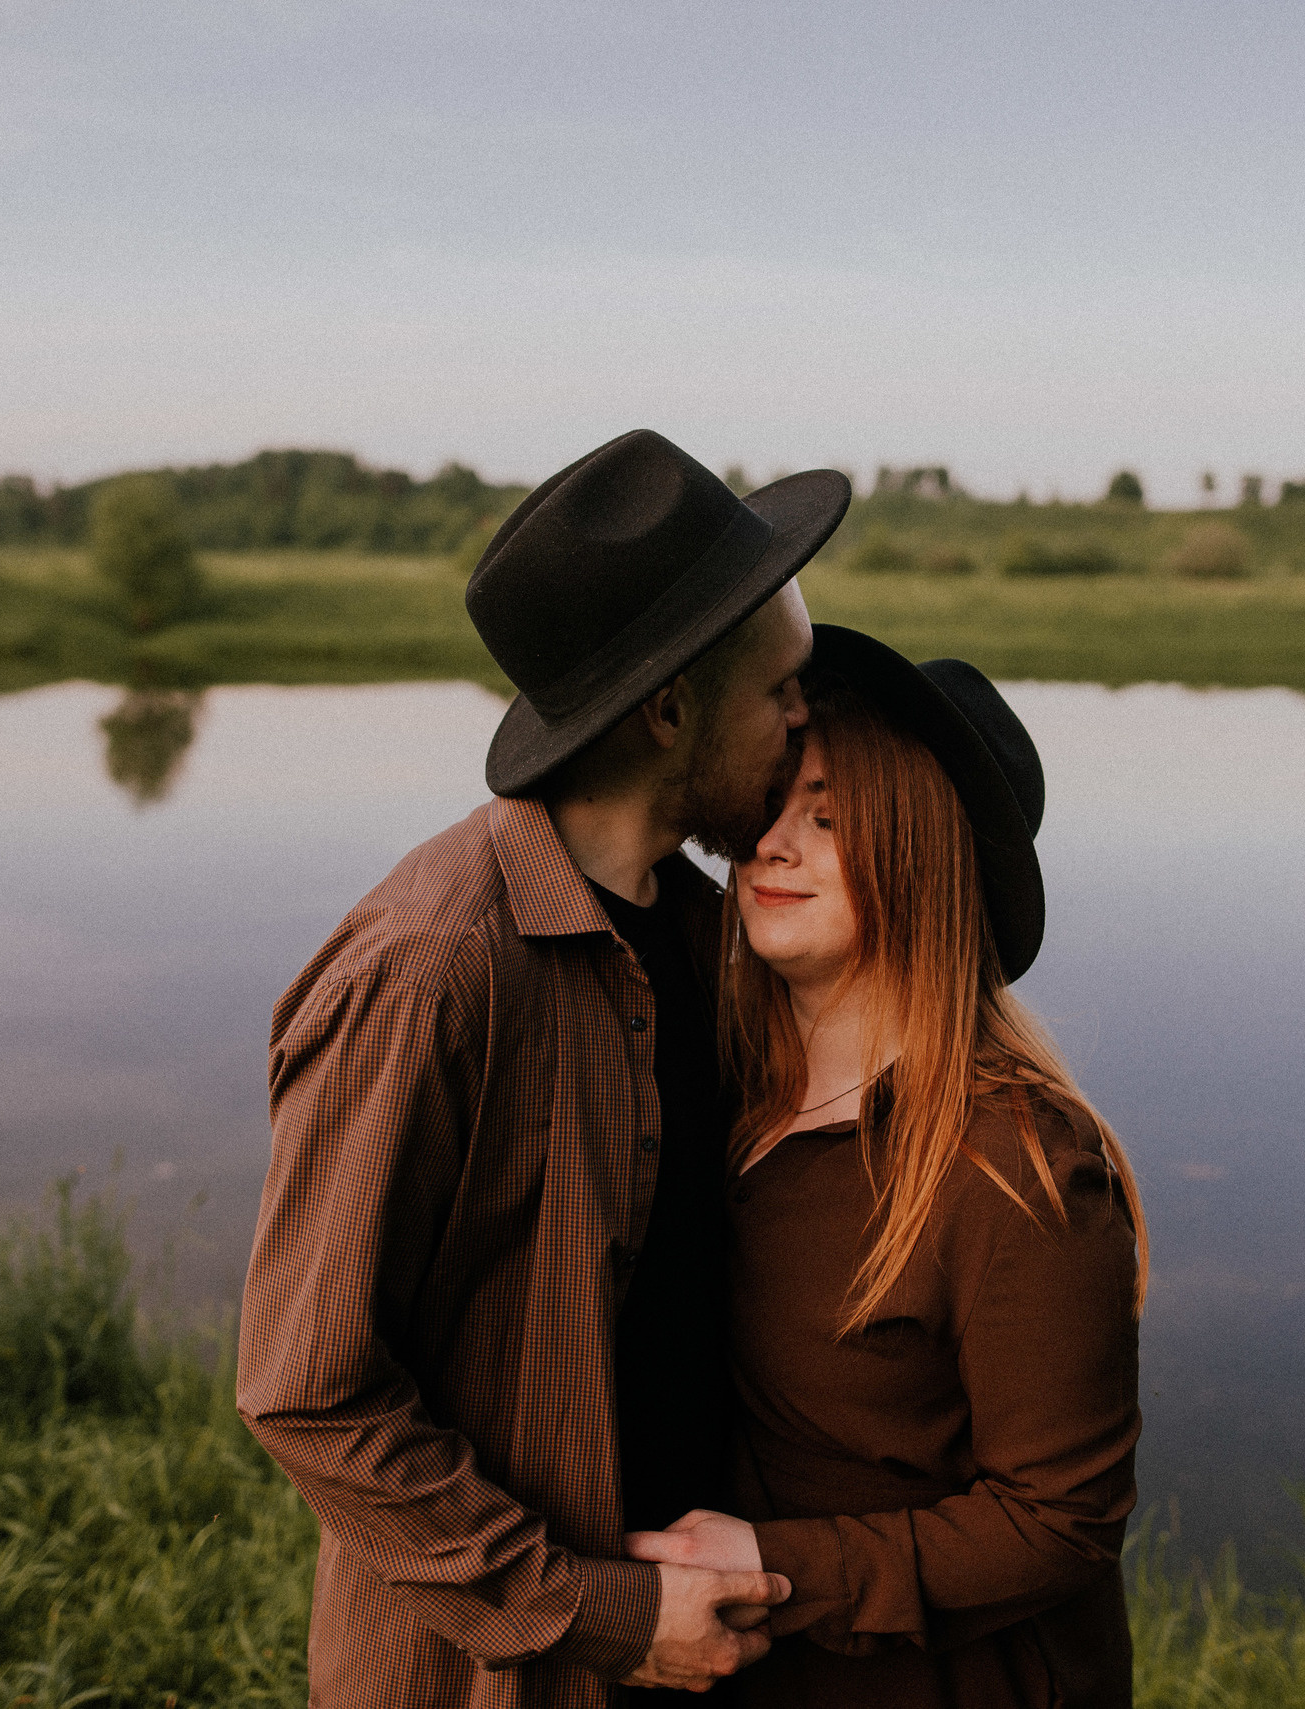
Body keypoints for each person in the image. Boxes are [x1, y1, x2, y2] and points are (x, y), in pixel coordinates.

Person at [238, 429, 851, 1706]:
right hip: (488, 1678)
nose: (807, 722)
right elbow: (310, 1390)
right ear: (669, 707)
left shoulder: (707, 933)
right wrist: (606, 1617)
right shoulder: (429, 973)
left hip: (698, 1642)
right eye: (782, 688)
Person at [625, 625, 1150, 1708]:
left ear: (922, 860)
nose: (771, 845)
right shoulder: (722, 1083)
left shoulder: (1016, 1167)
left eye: (829, 820)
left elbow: (1061, 1521)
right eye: (772, 802)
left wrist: (775, 1567)